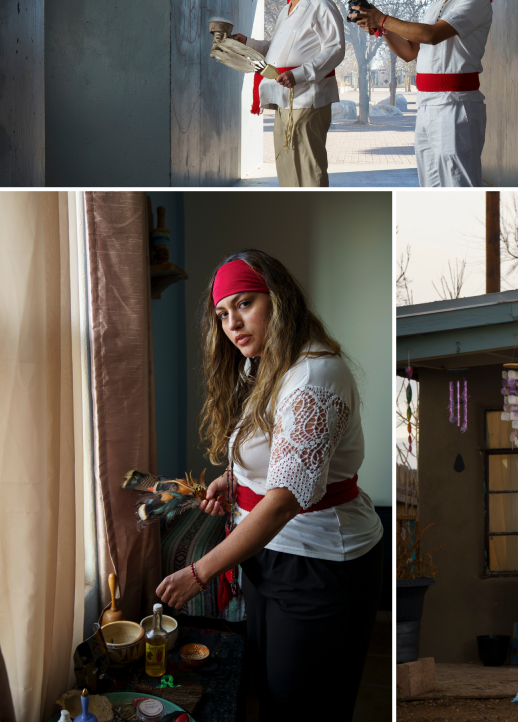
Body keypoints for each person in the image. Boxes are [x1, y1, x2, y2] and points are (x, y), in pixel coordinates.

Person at [156, 251, 383, 721]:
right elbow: (273, 452)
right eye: (222, 314)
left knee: (303, 706)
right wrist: (231, 480)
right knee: (271, 693)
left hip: (319, 563)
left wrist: (198, 573)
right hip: (269, 556)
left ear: (278, 302)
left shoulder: (314, 376)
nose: (233, 324)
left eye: (244, 304)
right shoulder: (260, 365)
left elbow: (283, 503)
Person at [350, 0, 496, 186]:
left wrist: (382, 18)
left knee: (457, 185)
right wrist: (381, 28)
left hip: (456, 104)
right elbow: (409, 52)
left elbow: (431, 35)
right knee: (430, 185)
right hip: (428, 105)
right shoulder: (437, 4)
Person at [231, 0, 345, 187]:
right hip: (283, 97)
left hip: (308, 98)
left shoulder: (321, 5)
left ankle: (313, 214)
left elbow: (335, 49)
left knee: (308, 164)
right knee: (285, 163)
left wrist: (300, 74)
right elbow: (275, 49)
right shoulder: (286, 11)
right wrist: (248, 43)